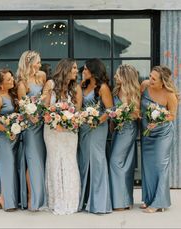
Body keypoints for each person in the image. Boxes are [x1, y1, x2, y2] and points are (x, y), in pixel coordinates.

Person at [42, 58, 82, 215]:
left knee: (69, 161)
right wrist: (54, 122)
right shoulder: (50, 85)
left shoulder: (76, 88)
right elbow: (44, 108)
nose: (76, 71)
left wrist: (69, 122)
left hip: (70, 133)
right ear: (65, 69)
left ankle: (71, 200)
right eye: (73, 68)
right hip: (52, 131)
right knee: (54, 161)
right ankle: (56, 199)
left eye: (76, 68)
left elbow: (77, 112)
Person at [140, 65, 178, 213]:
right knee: (148, 165)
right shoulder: (144, 85)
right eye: (150, 76)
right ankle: (149, 198)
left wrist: (158, 121)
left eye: (154, 79)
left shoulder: (169, 95)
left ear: (163, 82)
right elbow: (137, 103)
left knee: (160, 166)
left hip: (163, 134)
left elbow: (172, 115)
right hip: (147, 132)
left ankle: (159, 202)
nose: (150, 80)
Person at [77, 58, 113, 214]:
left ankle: (99, 203)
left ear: (93, 71)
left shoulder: (103, 87)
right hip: (84, 128)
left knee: (97, 161)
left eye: (85, 69)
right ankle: (85, 199)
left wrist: (97, 120)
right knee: (84, 161)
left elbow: (110, 110)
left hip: (98, 128)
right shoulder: (82, 85)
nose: (82, 71)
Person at [16, 50, 47, 210]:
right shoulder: (22, 83)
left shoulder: (41, 76)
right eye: (38, 62)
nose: (40, 65)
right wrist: (31, 116)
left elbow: (47, 96)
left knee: (42, 161)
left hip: (44, 124)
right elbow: (23, 105)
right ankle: (31, 197)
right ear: (29, 63)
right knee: (33, 161)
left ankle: (42, 196)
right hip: (31, 127)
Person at [109, 64, 140, 210]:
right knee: (124, 164)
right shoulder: (116, 91)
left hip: (128, 129)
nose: (115, 76)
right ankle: (125, 200)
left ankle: (120, 202)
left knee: (116, 162)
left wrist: (124, 112)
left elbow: (136, 115)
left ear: (125, 76)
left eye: (117, 74)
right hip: (117, 130)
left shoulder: (133, 92)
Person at [0, 68, 19, 211]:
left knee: (6, 164)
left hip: (11, 134)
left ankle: (2, 195)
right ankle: (6, 201)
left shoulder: (10, 95)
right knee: (8, 165)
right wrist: (8, 131)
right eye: (8, 79)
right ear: (0, 84)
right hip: (1, 135)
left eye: (11, 77)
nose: (12, 80)